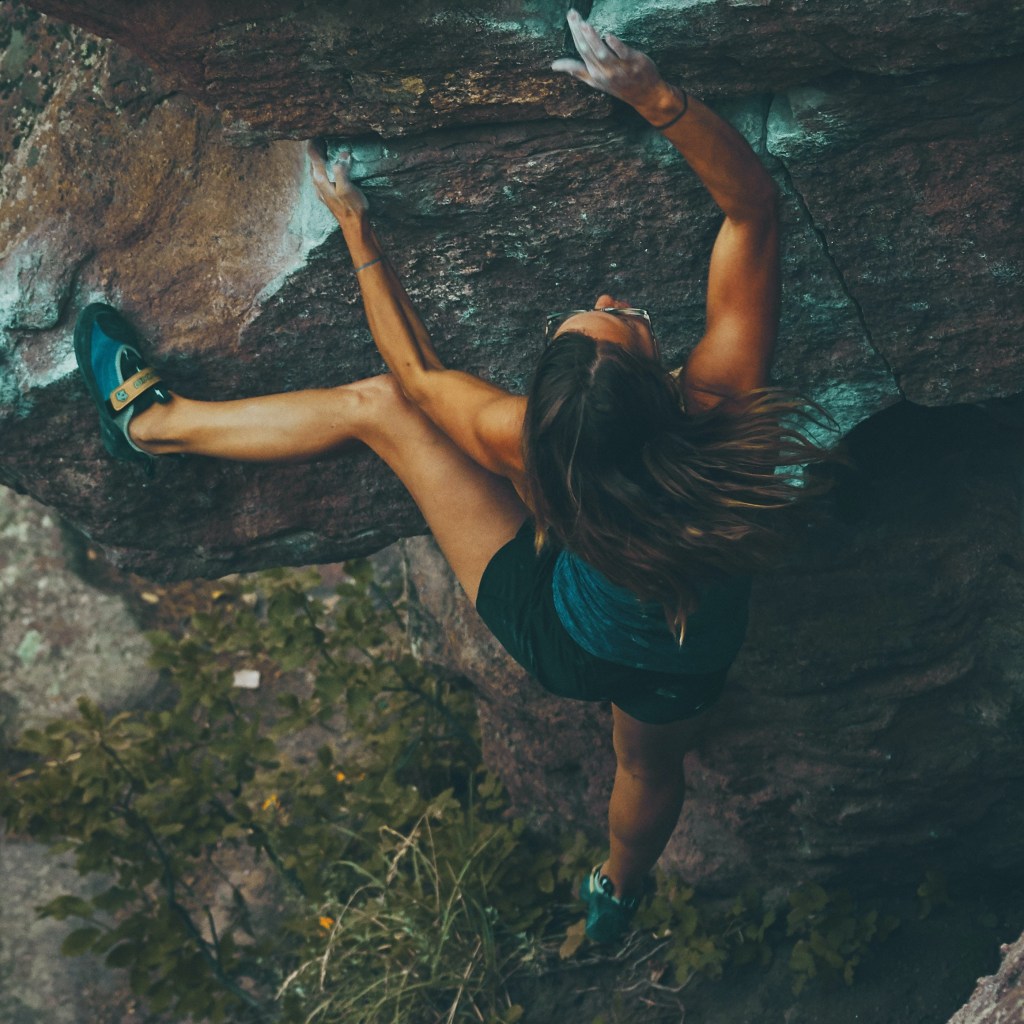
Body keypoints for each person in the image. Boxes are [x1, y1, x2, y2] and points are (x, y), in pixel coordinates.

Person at [74, 10, 821, 944]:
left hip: (561, 632)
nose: (602, 299)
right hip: (678, 651)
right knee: (649, 770)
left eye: (598, 317)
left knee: (380, 409)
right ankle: (617, 896)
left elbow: (416, 382)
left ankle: (154, 425)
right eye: (611, 315)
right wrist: (654, 96)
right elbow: (752, 207)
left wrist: (355, 229)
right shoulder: (722, 412)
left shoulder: (525, 444)